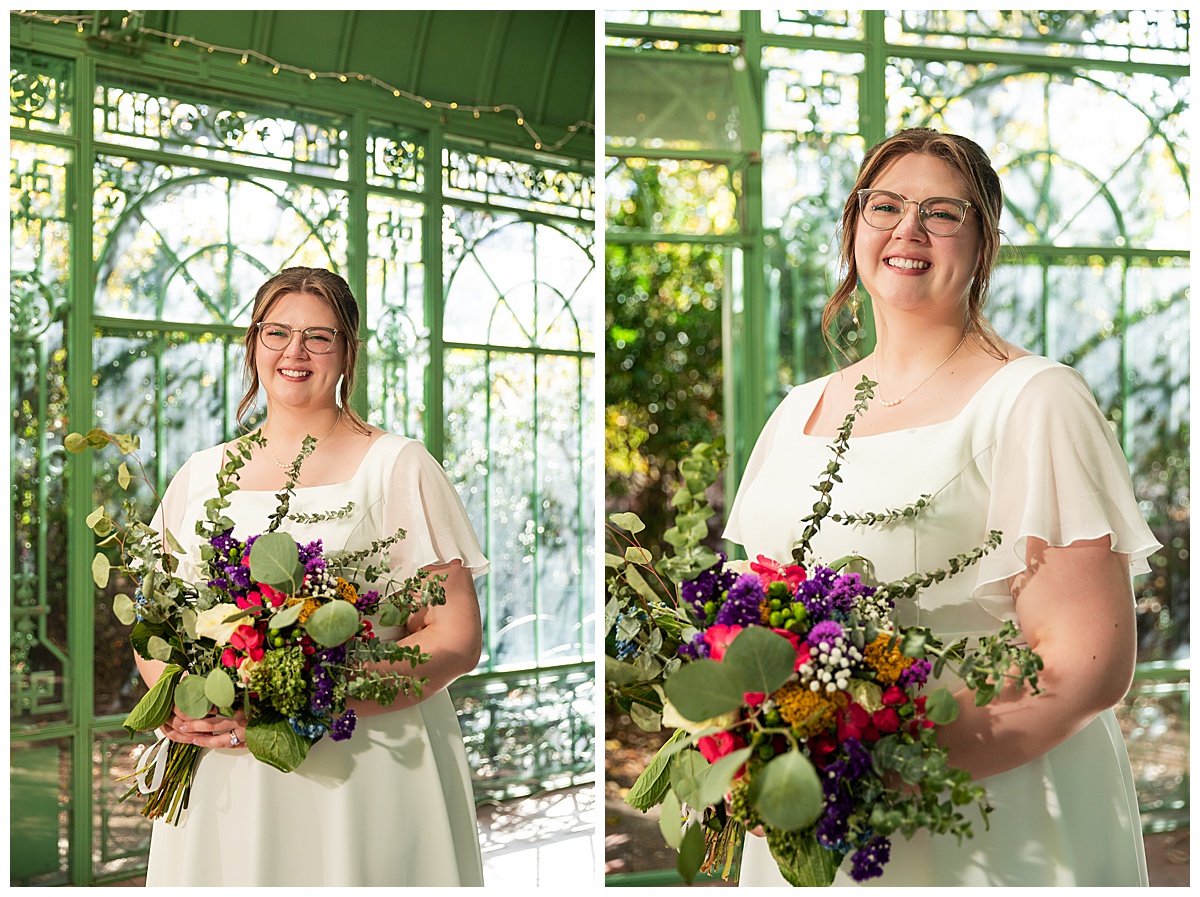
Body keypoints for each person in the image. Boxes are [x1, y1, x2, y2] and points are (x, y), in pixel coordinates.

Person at [725, 129, 1159, 887]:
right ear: (855, 227)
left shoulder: (1036, 401)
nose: (908, 230)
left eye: (942, 212)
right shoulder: (798, 409)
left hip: (987, 814)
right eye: (884, 205)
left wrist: (880, 767)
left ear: (984, 242)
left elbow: (1088, 665)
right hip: (808, 806)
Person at [136, 267, 488, 886]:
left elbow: (454, 636)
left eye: (319, 338)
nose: (294, 353)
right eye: (277, 333)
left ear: (349, 352)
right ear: (253, 345)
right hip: (223, 773)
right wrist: (183, 706)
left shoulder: (398, 467)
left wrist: (304, 695)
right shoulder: (199, 475)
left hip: (364, 768)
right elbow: (157, 626)